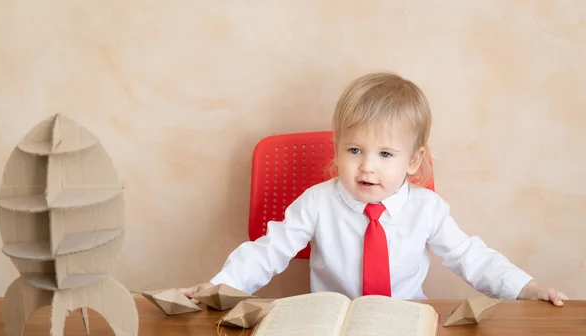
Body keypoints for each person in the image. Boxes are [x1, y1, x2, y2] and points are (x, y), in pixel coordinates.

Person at [182, 72, 567, 306]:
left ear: (413, 161)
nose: (367, 166)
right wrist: (220, 287)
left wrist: (526, 288)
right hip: (331, 329)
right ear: (337, 150)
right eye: (354, 150)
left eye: (385, 153)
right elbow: (269, 250)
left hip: (403, 323)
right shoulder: (318, 202)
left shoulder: (427, 208)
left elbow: (471, 256)